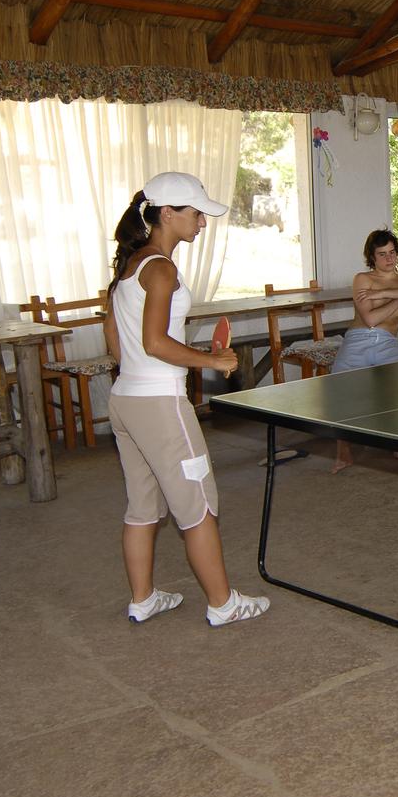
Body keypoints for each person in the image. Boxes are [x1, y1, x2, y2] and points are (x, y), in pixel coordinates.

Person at [104, 172, 270, 626]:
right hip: (160, 406)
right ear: (168, 213)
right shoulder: (161, 268)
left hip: (125, 401)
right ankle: (223, 604)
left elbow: (117, 343)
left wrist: (151, 367)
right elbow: (155, 342)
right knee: (198, 506)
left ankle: (143, 598)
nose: (202, 222)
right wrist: (211, 361)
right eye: (196, 213)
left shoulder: (129, 267)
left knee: (142, 508)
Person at [330, 229, 398, 473]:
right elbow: (371, 319)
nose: (389, 258)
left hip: (387, 341)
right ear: (372, 257)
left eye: (392, 252)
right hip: (358, 339)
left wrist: (382, 293)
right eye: (382, 254)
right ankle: (343, 451)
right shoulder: (363, 279)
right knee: (339, 385)